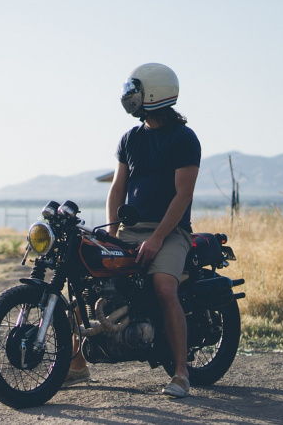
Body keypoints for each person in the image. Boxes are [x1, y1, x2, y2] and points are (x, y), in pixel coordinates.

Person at [64, 63, 201, 398]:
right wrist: (111, 231)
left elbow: (183, 194)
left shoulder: (184, 138)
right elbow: (117, 189)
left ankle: (182, 373)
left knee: (164, 287)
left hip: (171, 232)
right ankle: (77, 362)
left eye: (135, 91)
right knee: (85, 280)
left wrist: (157, 238)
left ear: (154, 93)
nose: (129, 97)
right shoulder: (130, 139)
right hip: (130, 229)